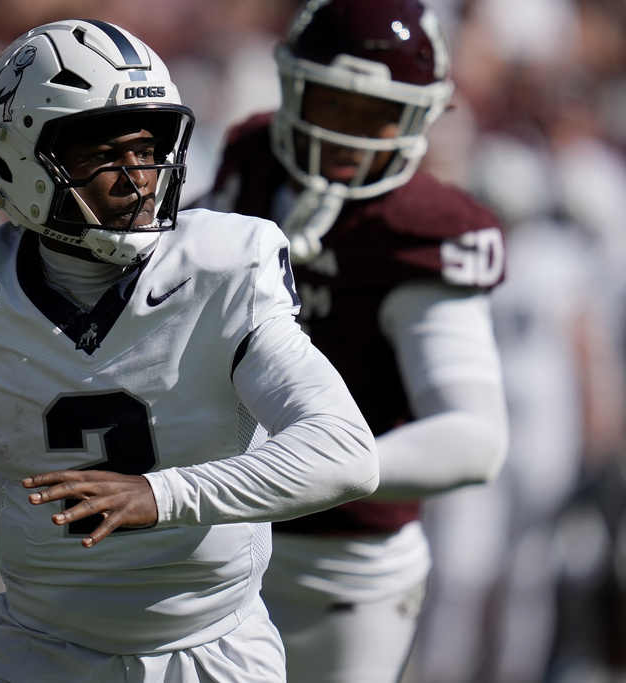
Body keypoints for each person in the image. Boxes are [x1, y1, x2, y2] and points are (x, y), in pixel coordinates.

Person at [0, 19, 379, 683]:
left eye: (147, 149)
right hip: (37, 647)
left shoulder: (222, 268)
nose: (138, 178)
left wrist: (161, 493)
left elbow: (345, 452)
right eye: (101, 154)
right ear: (15, 161)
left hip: (209, 646)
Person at [196, 1, 509, 681]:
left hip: (337, 562)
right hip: (210, 537)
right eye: (335, 104)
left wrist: (305, 467)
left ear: (423, 116)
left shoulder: (423, 229)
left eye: (379, 115)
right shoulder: (253, 157)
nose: (352, 137)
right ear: (292, 85)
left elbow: (475, 437)